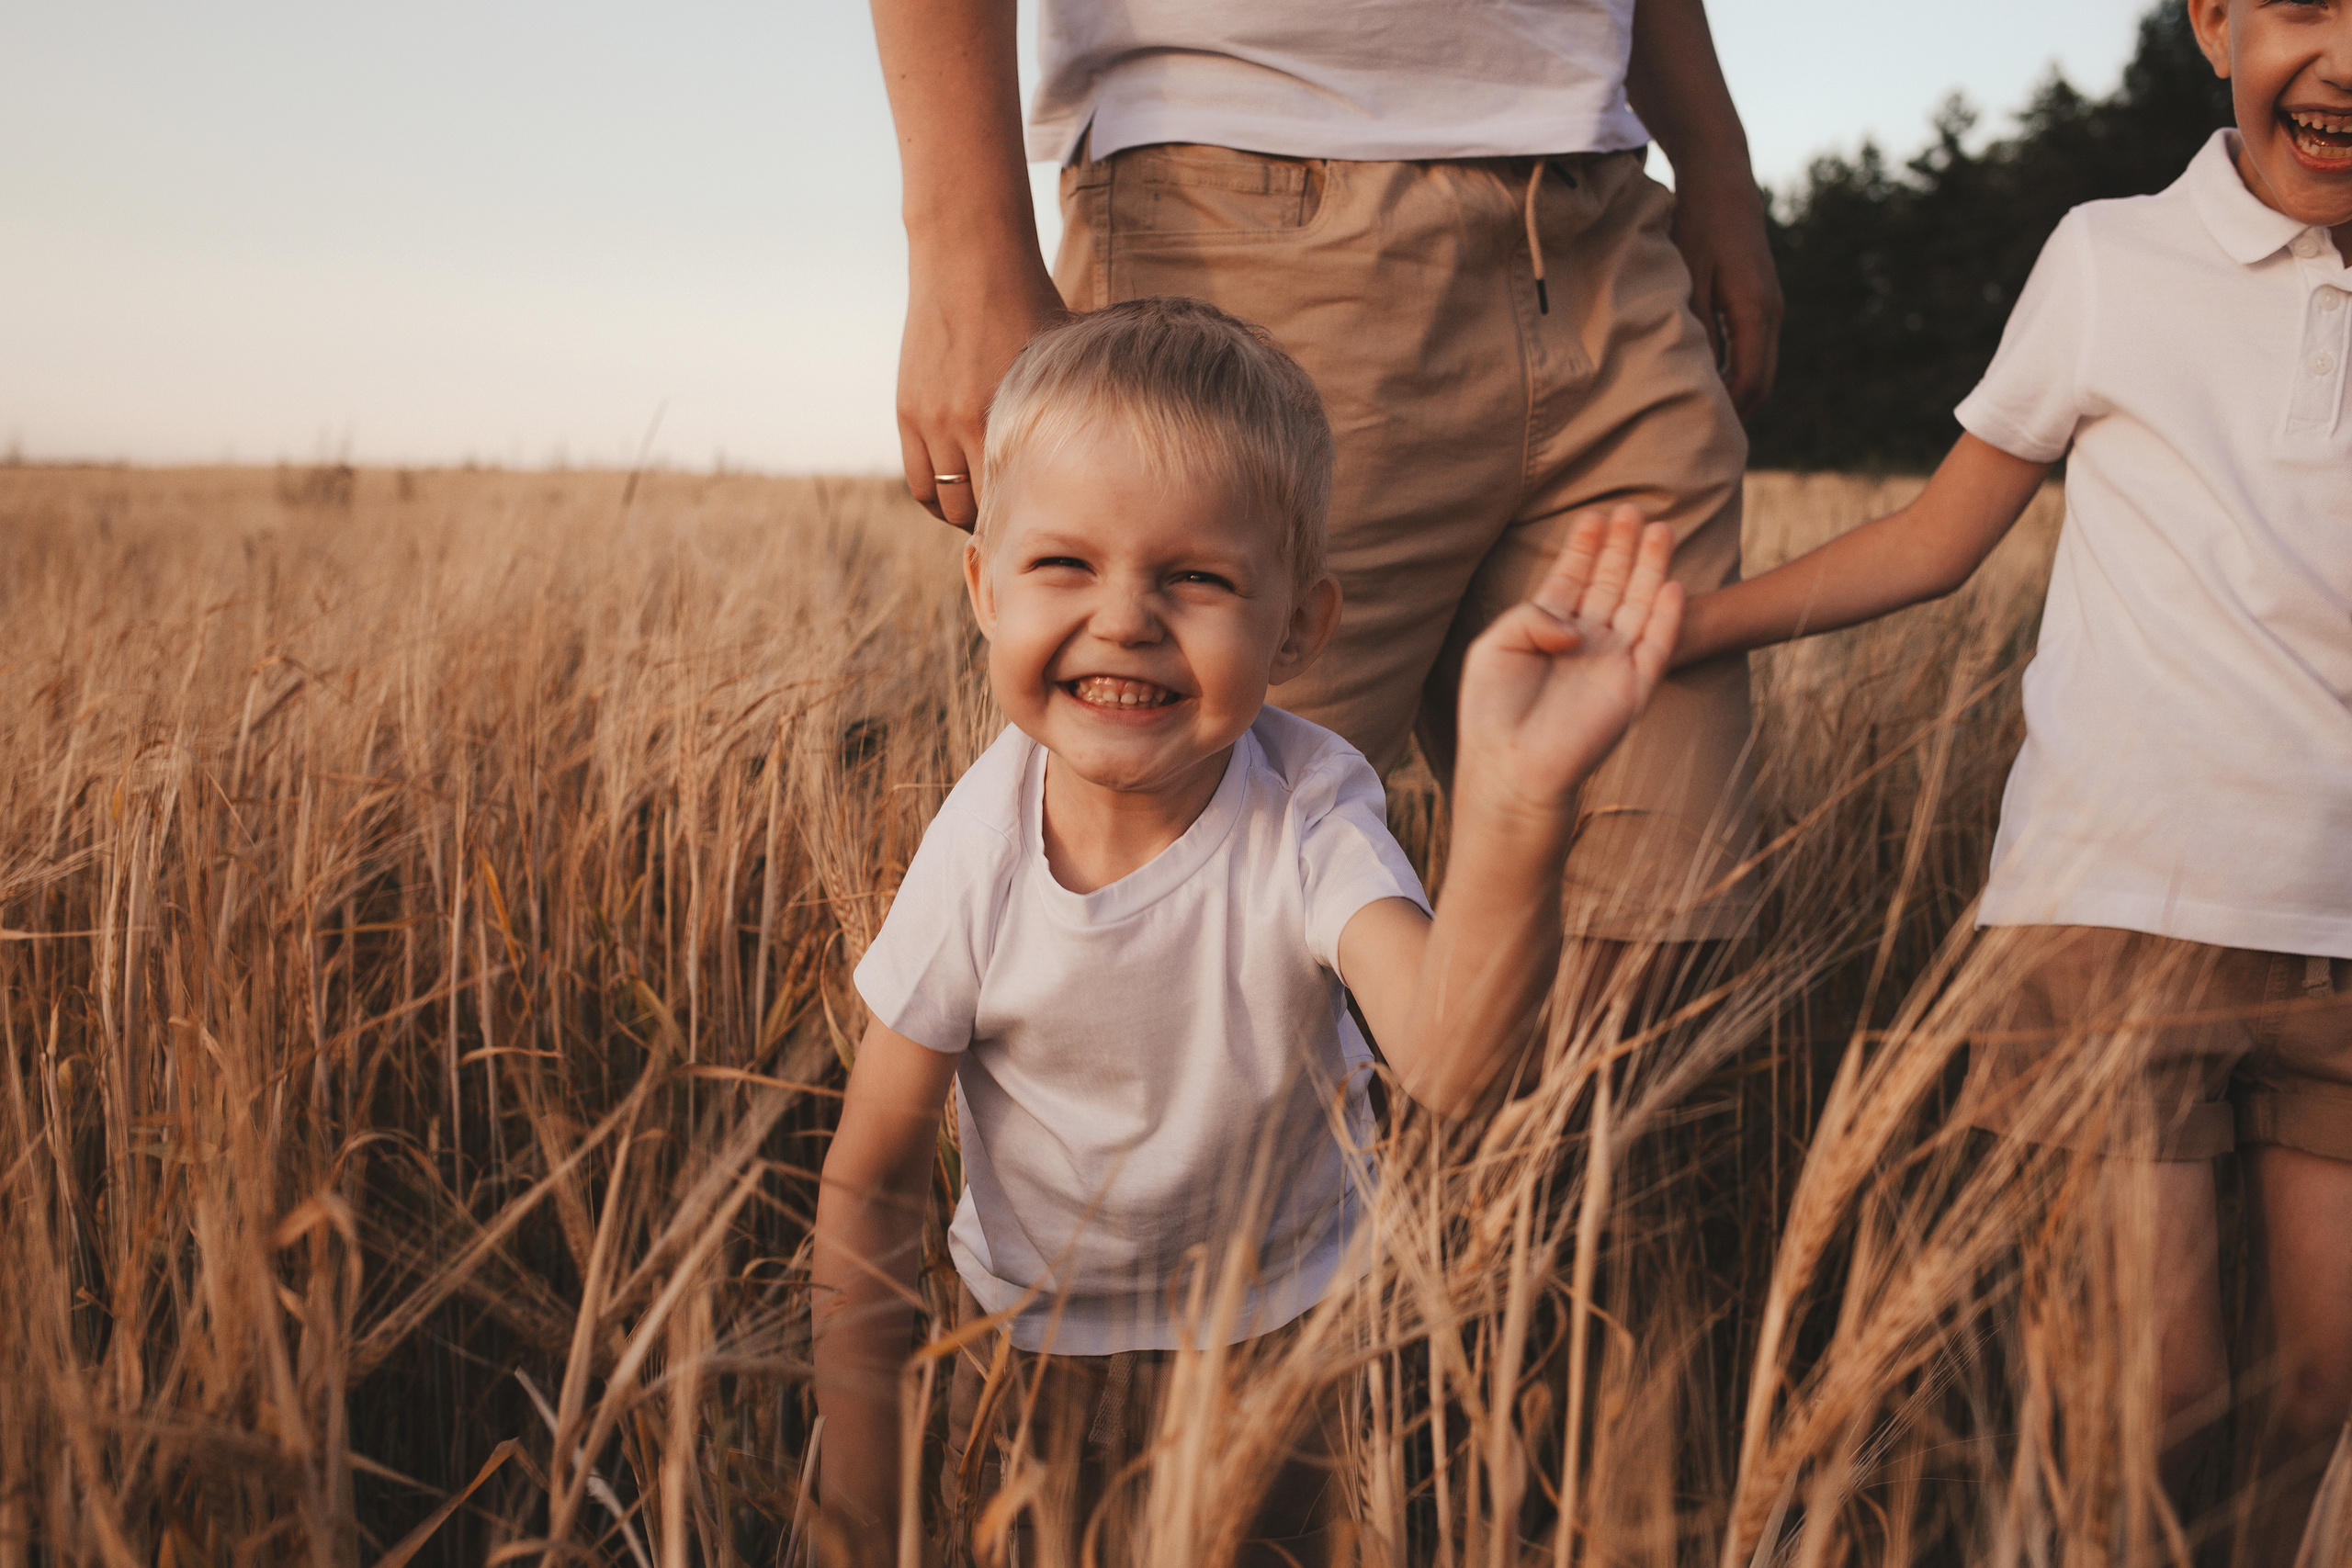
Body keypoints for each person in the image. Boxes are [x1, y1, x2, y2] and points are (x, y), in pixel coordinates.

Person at [809, 298, 1688, 1563]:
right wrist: (859, 1501)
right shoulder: (981, 845)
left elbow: (1450, 1059)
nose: (1125, 616)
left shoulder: (1310, 805)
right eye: (1066, 563)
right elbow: (872, 1172)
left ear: (1299, 627)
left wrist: (1518, 804)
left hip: (1296, 1327)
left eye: (1198, 577)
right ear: (983, 588)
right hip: (1038, 1345)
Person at [1668, 1, 2351, 1556]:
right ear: (2218, 24)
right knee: (2146, 1401)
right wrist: (1690, 629)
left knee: (2321, 1400)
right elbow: (1933, 537)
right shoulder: (2114, 261)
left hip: (2343, 938)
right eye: (2307, 4)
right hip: (2111, 912)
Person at [867, 0, 1780, 958]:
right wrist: (959, 239)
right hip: (1234, 196)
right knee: (1190, 951)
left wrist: (1717, 162)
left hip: (1610, 221)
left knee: (1659, 936)